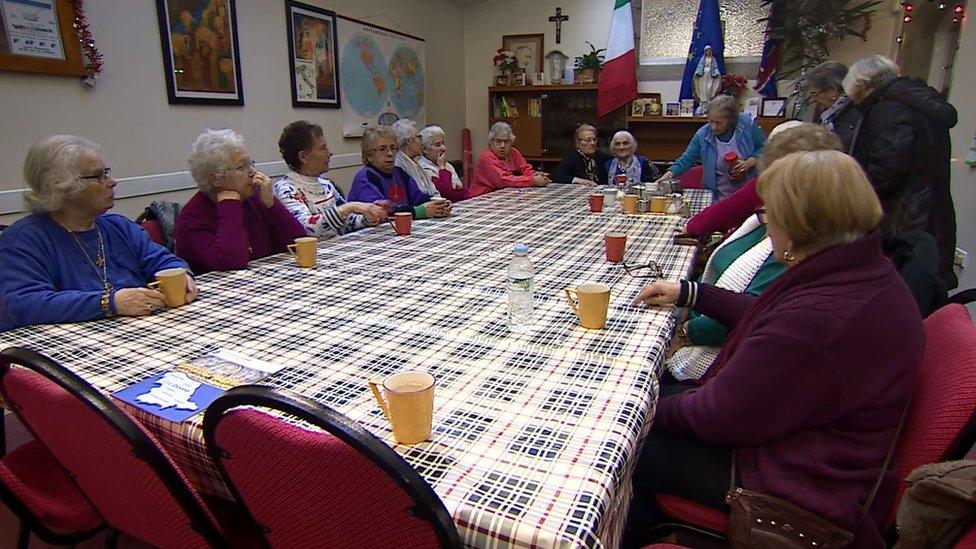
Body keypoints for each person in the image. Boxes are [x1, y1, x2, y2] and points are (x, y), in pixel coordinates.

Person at [625, 150, 922, 548]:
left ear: (798, 225)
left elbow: (718, 415)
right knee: (658, 393)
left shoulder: (820, 319)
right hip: (816, 446)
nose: (765, 225)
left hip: (793, 478)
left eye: (768, 214)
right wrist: (691, 292)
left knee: (613, 449)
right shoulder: (859, 271)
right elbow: (767, 316)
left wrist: (630, 410)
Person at [666, 122, 842, 382]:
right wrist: (688, 294)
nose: (760, 191)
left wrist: (684, 331)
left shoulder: (803, 246)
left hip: (717, 366)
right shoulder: (776, 219)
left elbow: (755, 315)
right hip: (708, 333)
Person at [0, 135, 196, 331]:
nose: (112, 182)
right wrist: (108, 303)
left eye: (107, 172)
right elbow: (23, 304)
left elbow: (164, 261)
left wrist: (183, 275)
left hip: (137, 335)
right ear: (61, 187)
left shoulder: (119, 227)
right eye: (99, 176)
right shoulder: (24, 240)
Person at [844, 54, 958, 289]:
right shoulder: (918, 103)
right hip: (929, 212)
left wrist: (855, 193)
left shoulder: (889, 109)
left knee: (903, 288)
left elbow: (888, 169)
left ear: (864, 86)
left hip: (903, 218)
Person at [175, 129, 306, 273]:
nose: (253, 172)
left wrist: (271, 204)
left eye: (250, 164)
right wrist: (229, 206)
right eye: (242, 167)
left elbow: (299, 243)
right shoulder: (192, 217)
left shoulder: (254, 197)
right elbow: (231, 262)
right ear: (215, 179)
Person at [273, 121, 386, 239]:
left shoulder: (326, 185)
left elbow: (347, 221)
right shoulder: (286, 189)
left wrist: (370, 216)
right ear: (303, 157)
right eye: (323, 148)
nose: (329, 153)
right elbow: (306, 230)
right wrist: (349, 207)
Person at [658, 94, 766, 200]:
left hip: (750, 194)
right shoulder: (702, 134)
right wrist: (663, 179)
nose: (713, 127)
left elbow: (765, 148)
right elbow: (685, 161)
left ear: (731, 120)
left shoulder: (747, 124)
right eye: (710, 121)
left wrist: (749, 163)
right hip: (718, 198)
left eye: (719, 123)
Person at [348, 125, 451, 218]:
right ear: (369, 156)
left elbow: (420, 199)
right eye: (382, 149)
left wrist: (439, 206)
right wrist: (418, 212)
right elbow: (379, 212)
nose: (389, 153)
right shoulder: (365, 178)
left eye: (393, 148)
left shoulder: (399, 173)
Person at [471, 122, 550, 198]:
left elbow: (525, 169)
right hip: (482, 198)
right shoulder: (486, 158)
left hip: (504, 196)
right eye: (498, 141)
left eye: (506, 142)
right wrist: (534, 181)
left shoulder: (514, 152)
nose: (502, 146)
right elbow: (503, 180)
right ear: (491, 142)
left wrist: (537, 176)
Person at [418, 124, 470, 202]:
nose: (443, 148)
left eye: (443, 143)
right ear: (425, 149)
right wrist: (441, 168)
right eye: (438, 145)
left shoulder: (448, 165)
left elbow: (463, 192)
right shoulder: (422, 168)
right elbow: (445, 193)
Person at [391, 119, 441, 198]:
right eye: (419, 137)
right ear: (408, 141)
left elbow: (433, 190)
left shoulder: (415, 162)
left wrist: (440, 202)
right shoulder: (398, 165)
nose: (422, 143)